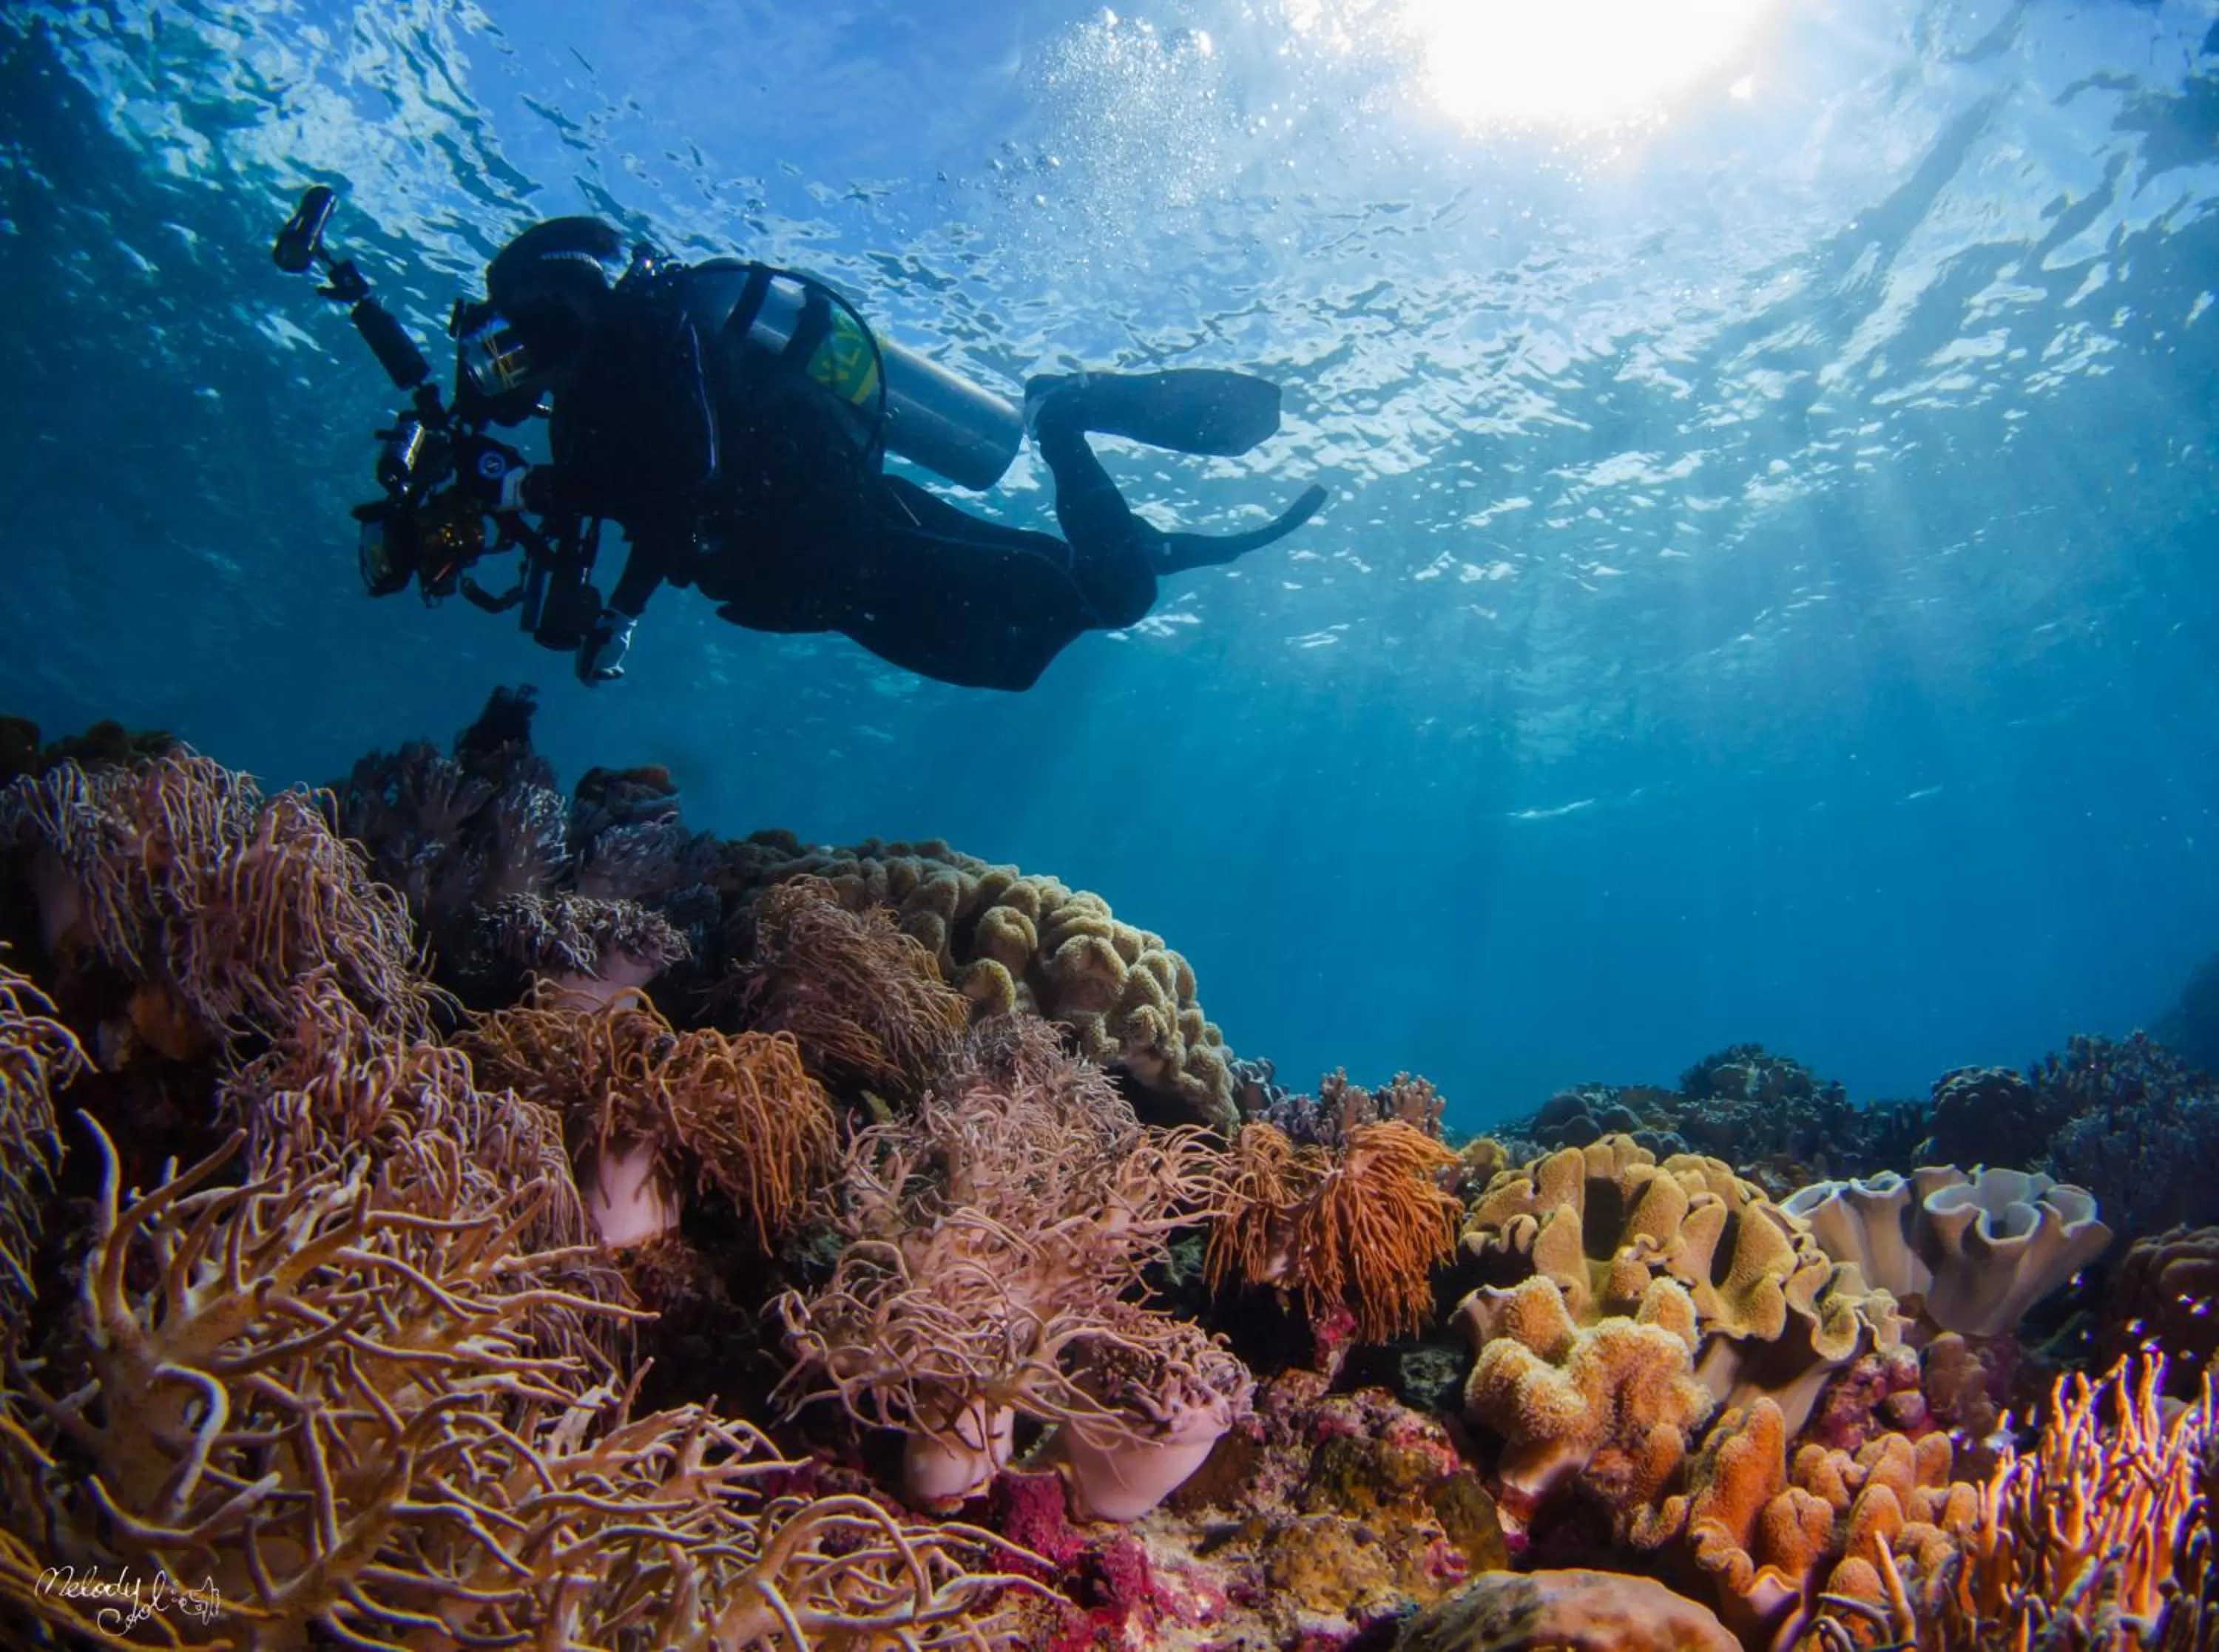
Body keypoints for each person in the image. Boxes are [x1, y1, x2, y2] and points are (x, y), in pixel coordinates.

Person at [446, 217, 1328, 689]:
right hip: (834, 571)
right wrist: (608, 595)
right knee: (1026, 652)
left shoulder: (651, 343)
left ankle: (1064, 419)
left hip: (856, 542)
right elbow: (661, 505)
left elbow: (688, 479)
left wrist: (547, 499)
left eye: (522, 334)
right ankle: (1188, 545)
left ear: (565, 306)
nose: (513, 361)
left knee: (1105, 599)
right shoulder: (611, 399)